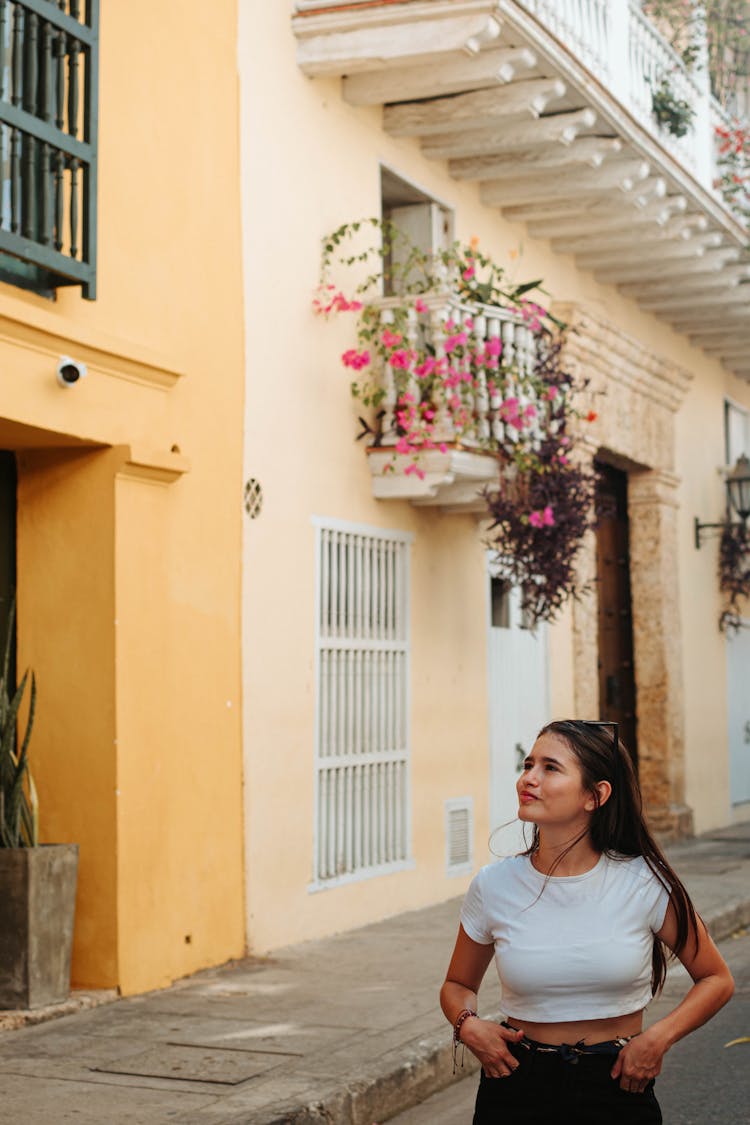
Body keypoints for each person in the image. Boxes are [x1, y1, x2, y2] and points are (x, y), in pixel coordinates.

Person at [440, 719, 734, 1124]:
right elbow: (457, 985)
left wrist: (657, 1040)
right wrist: (468, 1026)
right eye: (528, 765)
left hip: (616, 1085)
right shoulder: (494, 885)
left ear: (596, 796)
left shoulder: (645, 882)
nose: (529, 778)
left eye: (550, 768)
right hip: (515, 1085)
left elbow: (717, 979)